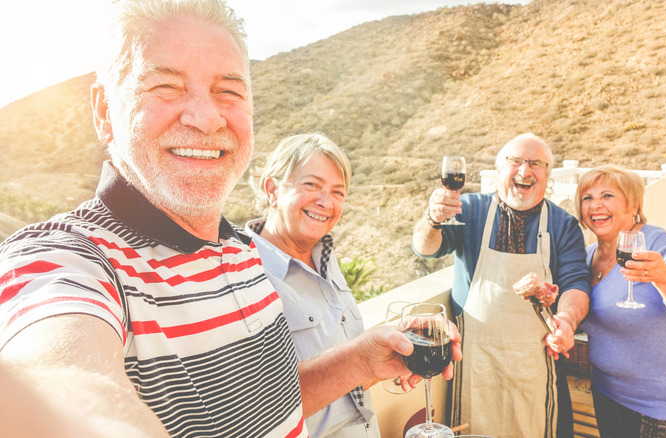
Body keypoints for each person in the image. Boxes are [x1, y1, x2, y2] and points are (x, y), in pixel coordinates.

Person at [0, 1, 461, 437]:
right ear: (104, 111)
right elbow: (64, 381)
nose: (205, 117)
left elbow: (269, 405)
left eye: (229, 91)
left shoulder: (239, 250)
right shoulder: (62, 260)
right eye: (166, 86)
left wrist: (361, 360)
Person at [412, 133, 591, 438]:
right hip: (475, 361)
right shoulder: (469, 210)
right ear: (498, 170)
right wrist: (432, 218)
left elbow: (576, 285)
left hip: (535, 361)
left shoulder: (563, 225)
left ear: (547, 175)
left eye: (536, 164)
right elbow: (426, 248)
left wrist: (566, 321)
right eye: (516, 162)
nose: (525, 170)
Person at [244, 133, 380, 437]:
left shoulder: (325, 257)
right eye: (312, 185)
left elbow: (341, 377)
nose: (325, 202)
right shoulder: (245, 275)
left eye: (338, 192)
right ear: (272, 190)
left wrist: (390, 355)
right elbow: (258, 407)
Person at [575, 164, 666, 438]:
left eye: (608, 196)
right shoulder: (587, 255)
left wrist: (664, 277)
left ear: (634, 204)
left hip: (663, 400)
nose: (596, 206)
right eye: (587, 198)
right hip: (607, 390)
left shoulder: (658, 244)